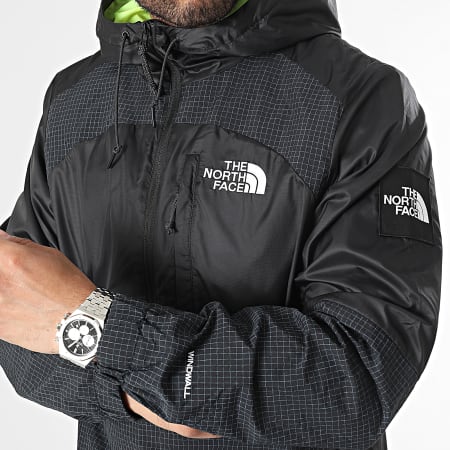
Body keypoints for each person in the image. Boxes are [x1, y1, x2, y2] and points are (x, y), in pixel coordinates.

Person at [0, 0, 442, 449]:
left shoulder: (362, 99)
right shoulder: (72, 99)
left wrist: (100, 330)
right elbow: (13, 319)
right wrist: (167, 391)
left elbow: (357, 381)